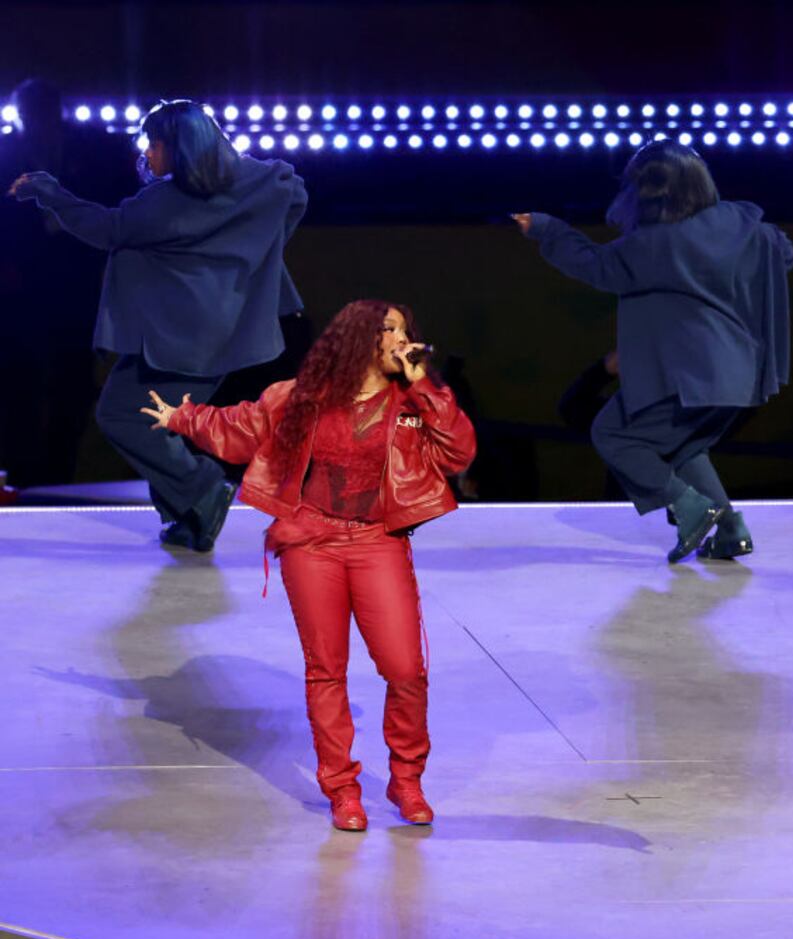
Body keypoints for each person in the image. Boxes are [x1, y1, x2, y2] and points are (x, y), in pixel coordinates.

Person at [141, 300, 477, 832]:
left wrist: (427, 388)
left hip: (377, 541)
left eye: (405, 330)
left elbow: (458, 453)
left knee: (405, 669)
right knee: (326, 669)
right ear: (359, 337)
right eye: (389, 329)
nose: (401, 339)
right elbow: (241, 426)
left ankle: (406, 779)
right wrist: (183, 418)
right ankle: (342, 788)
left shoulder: (412, 402)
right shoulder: (302, 396)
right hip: (311, 541)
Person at [7, 99, 307, 550]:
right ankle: (190, 517)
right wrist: (249, 250)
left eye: (155, 144)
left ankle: (205, 489)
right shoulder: (257, 183)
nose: (146, 153)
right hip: (217, 335)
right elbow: (295, 192)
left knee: (121, 415)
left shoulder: (167, 203)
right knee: (152, 420)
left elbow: (106, 228)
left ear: (180, 146)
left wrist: (49, 191)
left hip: (179, 340)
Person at [514, 140, 793, 562]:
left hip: (684, 373)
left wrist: (546, 229)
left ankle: (689, 506)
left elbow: (595, 265)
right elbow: (783, 253)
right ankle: (730, 530)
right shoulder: (742, 223)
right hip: (737, 372)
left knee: (613, 434)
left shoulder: (652, 245)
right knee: (684, 447)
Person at [0, 78, 131, 487]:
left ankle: (57, 474)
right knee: (19, 384)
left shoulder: (94, 152)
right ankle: (22, 475)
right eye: (29, 115)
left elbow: (118, 205)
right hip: (19, 294)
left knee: (71, 384)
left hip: (77, 290)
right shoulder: (7, 154)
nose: (35, 123)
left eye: (41, 113)